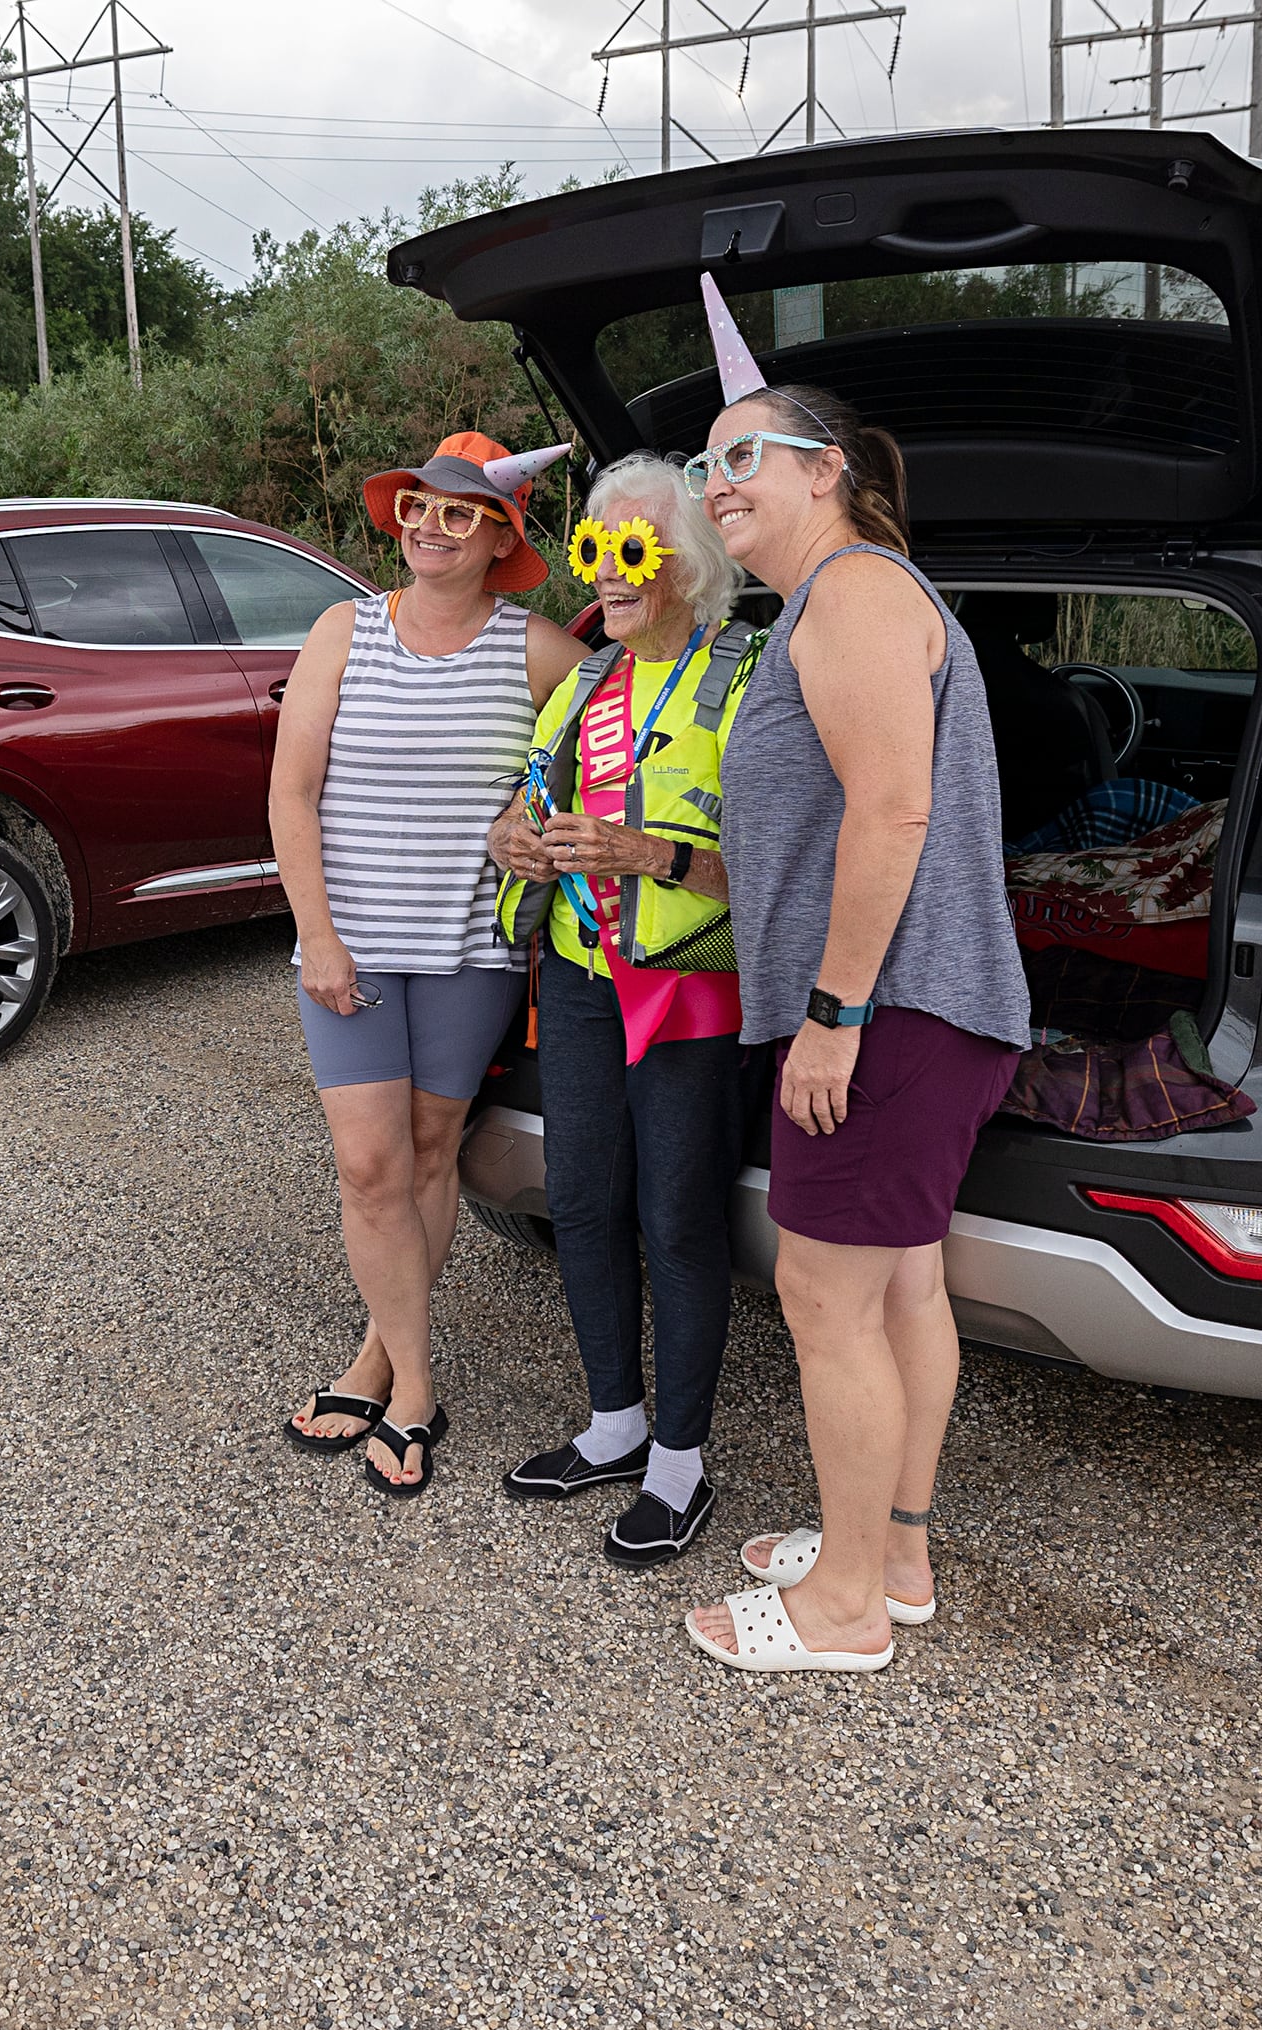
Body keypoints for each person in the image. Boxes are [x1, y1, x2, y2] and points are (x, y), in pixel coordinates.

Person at [680, 374, 1032, 1676]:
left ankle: (840, 1608)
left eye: (742, 456)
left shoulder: (855, 594)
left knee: (821, 1294)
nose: (716, 484)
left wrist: (830, 1015)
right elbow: (817, 830)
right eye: (702, 463)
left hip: (885, 1012)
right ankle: (887, 1550)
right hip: (912, 1007)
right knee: (894, 1284)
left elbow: (890, 813)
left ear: (822, 468)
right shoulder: (833, 602)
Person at [272, 431, 584, 1497]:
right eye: (418, 506)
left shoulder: (536, 649)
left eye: (459, 512)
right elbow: (291, 792)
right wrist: (314, 931)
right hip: (348, 945)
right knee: (366, 1164)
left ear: (501, 536)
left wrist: (523, 807)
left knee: (427, 1148)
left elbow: (610, 737)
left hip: (469, 947)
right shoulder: (343, 630)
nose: (430, 526)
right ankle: (416, 1385)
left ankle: (376, 1356)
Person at [487, 453, 765, 1567]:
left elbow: (782, 868)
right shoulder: (584, 681)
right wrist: (510, 835)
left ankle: (678, 1465)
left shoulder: (747, 680)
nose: (603, 570)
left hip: (689, 989)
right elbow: (526, 796)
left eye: (630, 549)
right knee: (582, 1201)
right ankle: (612, 1423)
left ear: (687, 566)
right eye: (594, 547)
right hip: (580, 976)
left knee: (677, 1219)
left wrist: (647, 850)